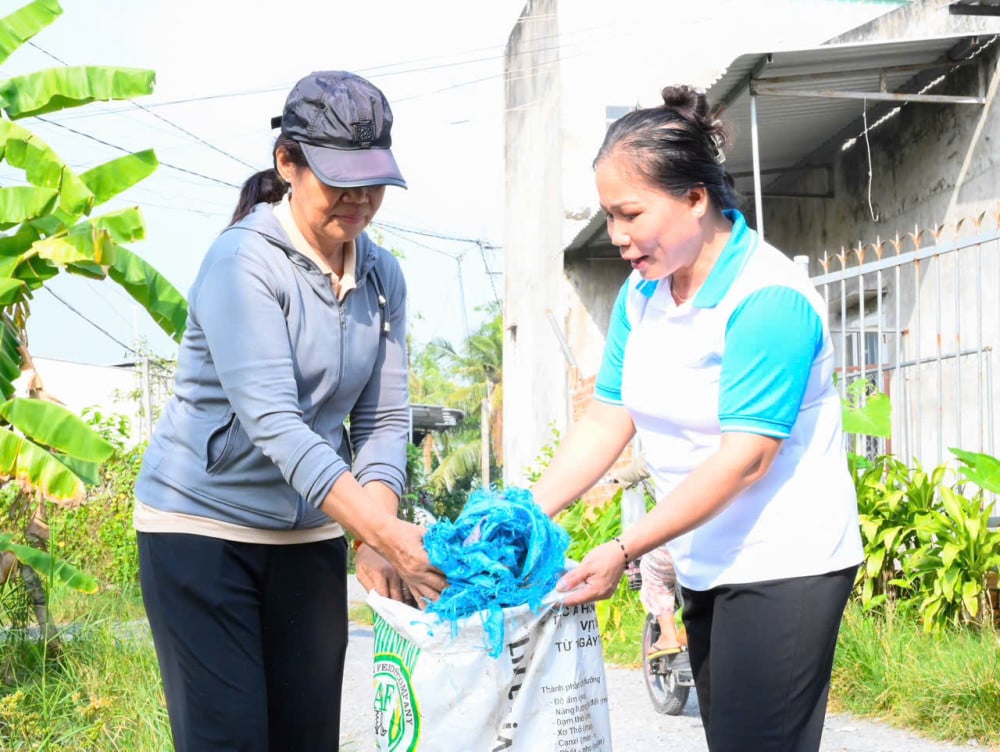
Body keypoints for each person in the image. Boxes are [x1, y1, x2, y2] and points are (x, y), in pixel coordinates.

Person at [532, 84, 863, 752]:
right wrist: (524, 515)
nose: (617, 236)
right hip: (705, 557)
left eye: (631, 214)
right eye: (609, 216)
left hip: (784, 561)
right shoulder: (642, 295)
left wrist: (624, 549)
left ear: (694, 198)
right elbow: (606, 419)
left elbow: (745, 460)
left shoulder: (767, 298)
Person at [133, 70, 447, 752]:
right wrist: (386, 535)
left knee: (307, 740)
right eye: (340, 180)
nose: (360, 199)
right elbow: (276, 424)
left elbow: (382, 423)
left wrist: (374, 533)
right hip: (201, 529)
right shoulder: (242, 264)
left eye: (373, 181)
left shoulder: (382, 277)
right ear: (287, 163)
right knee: (230, 740)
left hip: (309, 536)